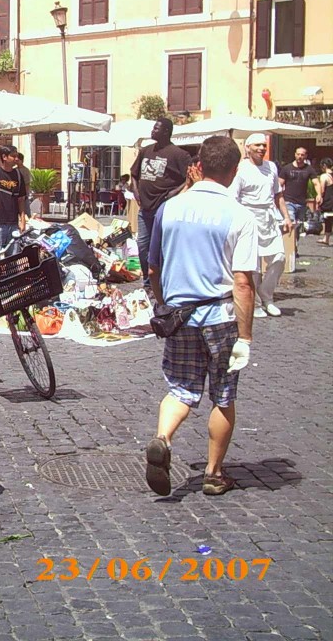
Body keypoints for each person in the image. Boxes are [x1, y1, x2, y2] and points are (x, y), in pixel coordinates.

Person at [144, 136, 258, 497]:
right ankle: (213, 473)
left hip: (180, 316)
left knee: (180, 388)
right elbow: (242, 282)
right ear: (234, 170)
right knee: (222, 395)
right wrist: (246, 336)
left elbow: (153, 268)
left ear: (199, 166)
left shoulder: (170, 208)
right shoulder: (240, 215)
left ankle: (162, 438)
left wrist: (165, 304)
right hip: (220, 316)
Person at [231, 133, 292, 318]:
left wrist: (286, 217)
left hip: (269, 217)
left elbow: (278, 195)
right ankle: (256, 302)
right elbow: (233, 198)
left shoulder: (271, 167)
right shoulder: (240, 169)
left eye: (264, 145)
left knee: (279, 257)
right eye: (257, 145)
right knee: (254, 265)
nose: (262, 148)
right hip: (248, 217)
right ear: (247, 148)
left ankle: (267, 295)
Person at [130, 118, 191, 298]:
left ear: (166, 132)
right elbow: (134, 174)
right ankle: (148, 283)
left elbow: (190, 178)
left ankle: (163, 282)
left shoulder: (179, 155)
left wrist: (174, 193)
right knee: (143, 245)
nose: (153, 130)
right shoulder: (145, 151)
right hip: (145, 208)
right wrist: (135, 191)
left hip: (164, 208)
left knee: (162, 247)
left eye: (156, 128)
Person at [279, 146, 318, 254]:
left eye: (302, 155)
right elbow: (279, 183)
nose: (300, 156)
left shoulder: (309, 169)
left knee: (298, 227)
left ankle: (293, 246)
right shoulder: (287, 168)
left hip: (301, 203)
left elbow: (315, 182)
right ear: (295, 154)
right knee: (290, 223)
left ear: (305, 156)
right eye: (298, 154)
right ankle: (288, 249)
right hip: (288, 201)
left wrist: (318, 194)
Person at [316, 157, 333, 246]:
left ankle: (326, 238)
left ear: (324, 166)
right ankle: (326, 238)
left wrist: (319, 198)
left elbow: (322, 190)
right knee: (329, 219)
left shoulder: (324, 176)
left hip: (328, 200)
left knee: (328, 220)